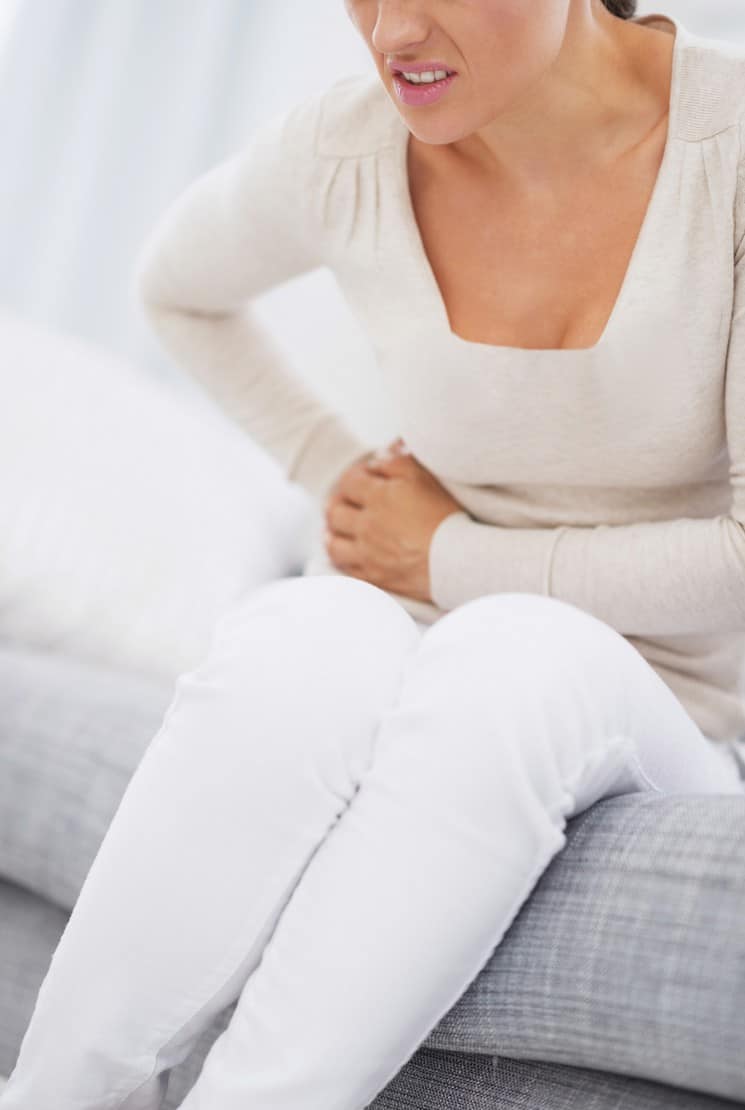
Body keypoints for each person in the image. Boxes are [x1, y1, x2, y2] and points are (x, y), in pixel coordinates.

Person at [3, 2, 745, 1107]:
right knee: (304, 626)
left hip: (662, 709)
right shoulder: (346, 150)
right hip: (422, 649)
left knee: (512, 653)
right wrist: (334, 475)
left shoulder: (725, 151)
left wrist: (444, 556)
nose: (391, 31)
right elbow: (178, 289)